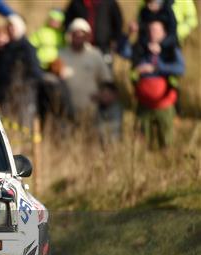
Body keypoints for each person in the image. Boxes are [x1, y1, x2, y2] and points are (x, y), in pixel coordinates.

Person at [131, 20, 184, 148]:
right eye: (150, 30)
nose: (152, 33)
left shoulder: (170, 50)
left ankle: (165, 164)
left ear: (164, 33)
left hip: (164, 103)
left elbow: (180, 69)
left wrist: (157, 67)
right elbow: (124, 52)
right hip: (144, 104)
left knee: (166, 143)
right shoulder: (141, 48)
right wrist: (129, 34)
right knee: (142, 142)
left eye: (156, 30)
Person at [59, 18, 113, 123]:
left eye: (82, 34)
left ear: (87, 36)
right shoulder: (61, 55)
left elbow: (106, 80)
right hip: (66, 111)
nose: (79, 37)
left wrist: (103, 95)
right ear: (70, 35)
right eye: (76, 34)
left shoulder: (95, 54)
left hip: (90, 111)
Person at [64, 0, 124, 65]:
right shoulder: (77, 2)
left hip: (103, 46)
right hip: (81, 46)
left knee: (104, 69)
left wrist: (113, 39)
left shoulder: (110, 3)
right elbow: (68, 21)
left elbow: (118, 22)